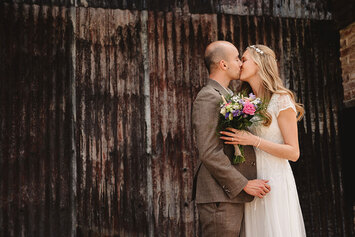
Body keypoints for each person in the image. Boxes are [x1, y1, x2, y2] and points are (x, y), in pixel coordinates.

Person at [219, 44, 306, 236]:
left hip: (273, 180)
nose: (240, 64)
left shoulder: (281, 99)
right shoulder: (243, 101)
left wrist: (254, 141)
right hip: (251, 181)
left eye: (244, 59)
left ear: (259, 64)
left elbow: (294, 152)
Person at [192, 41, 271, 237]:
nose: (240, 63)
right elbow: (209, 152)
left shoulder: (229, 96)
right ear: (223, 65)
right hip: (219, 196)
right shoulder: (208, 97)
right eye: (237, 58)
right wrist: (243, 183)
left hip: (231, 196)